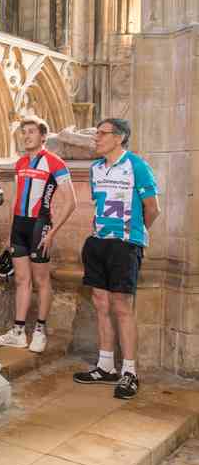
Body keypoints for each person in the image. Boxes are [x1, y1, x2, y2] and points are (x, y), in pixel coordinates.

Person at [73, 118, 160, 400]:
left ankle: (130, 372)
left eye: (102, 133)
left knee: (121, 306)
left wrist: (134, 233)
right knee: (101, 304)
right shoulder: (96, 168)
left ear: (119, 138)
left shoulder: (137, 165)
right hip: (98, 242)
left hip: (125, 244)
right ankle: (106, 365)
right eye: (96, 133)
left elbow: (152, 209)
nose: (96, 138)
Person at [0, 116, 77, 353]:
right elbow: (16, 199)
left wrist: (52, 232)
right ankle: (18, 332)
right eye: (23, 132)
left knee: (41, 280)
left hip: (40, 226)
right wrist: (9, 231)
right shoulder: (20, 163)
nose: (26, 136)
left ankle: (39, 330)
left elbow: (71, 202)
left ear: (43, 136)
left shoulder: (55, 163)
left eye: (31, 132)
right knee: (21, 280)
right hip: (19, 227)